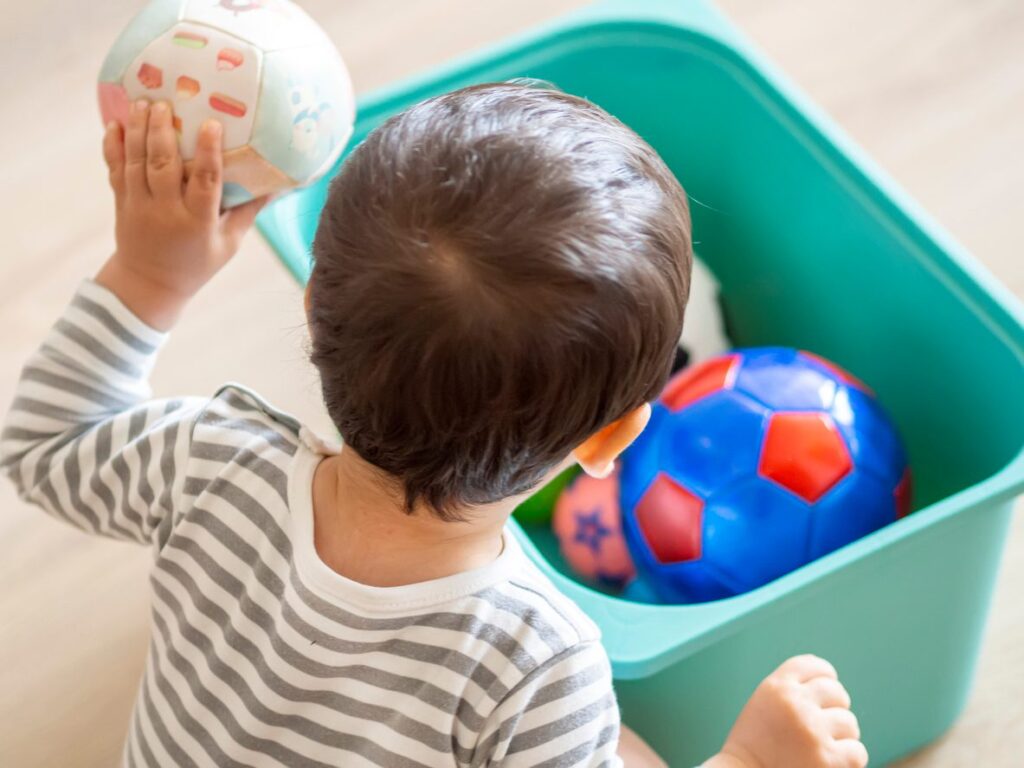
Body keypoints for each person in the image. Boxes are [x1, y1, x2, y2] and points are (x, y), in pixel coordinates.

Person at [1, 83, 866, 767]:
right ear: (610, 440)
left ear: (313, 310)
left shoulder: (212, 462)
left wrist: (151, 272)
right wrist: (751, 760)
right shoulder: (534, 662)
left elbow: (44, 442)